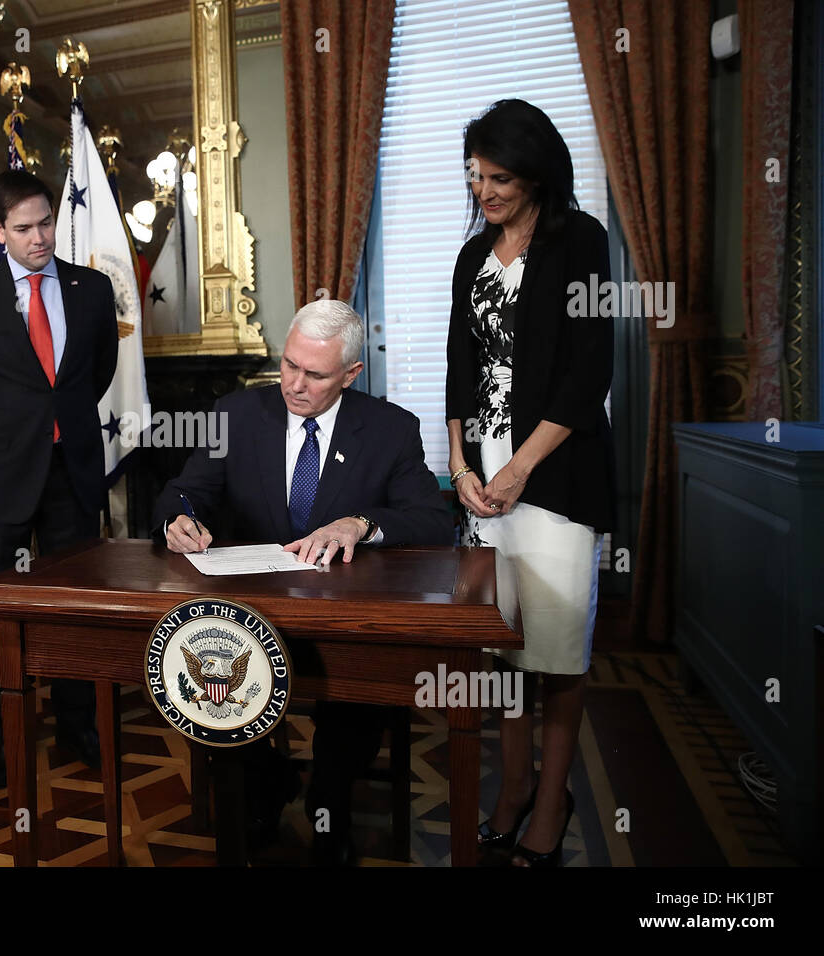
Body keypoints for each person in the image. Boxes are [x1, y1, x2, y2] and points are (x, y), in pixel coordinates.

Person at [153, 298, 454, 863]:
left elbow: (436, 524)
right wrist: (177, 519)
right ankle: (265, 785)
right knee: (210, 676)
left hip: (347, 618)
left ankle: (330, 803)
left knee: (353, 696)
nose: (294, 384)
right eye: (289, 365)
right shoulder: (237, 415)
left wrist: (362, 523)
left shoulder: (390, 429)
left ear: (351, 374)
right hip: (252, 613)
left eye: (314, 374)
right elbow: (183, 491)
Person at [445, 99, 615, 866]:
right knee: (502, 649)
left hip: (555, 473)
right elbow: (459, 369)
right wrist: (459, 465)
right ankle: (512, 788)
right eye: (476, 175)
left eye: (500, 176)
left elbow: (590, 376)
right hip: (484, 481)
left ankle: (551, 800)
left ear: (537, 172)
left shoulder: (582, 240)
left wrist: (518, 467)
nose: (484, 190)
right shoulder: (469, 255)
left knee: (556, 651)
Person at [0, 169, 119, 790]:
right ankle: (3, 736)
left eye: (46, 223)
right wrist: (5, 434)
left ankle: (77, 726)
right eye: (24, 228)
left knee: (71, 609)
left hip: (71, 478)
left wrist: (52, 429)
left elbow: (94, 375)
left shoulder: (91, 289)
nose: (39, 238)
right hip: (0, 481)